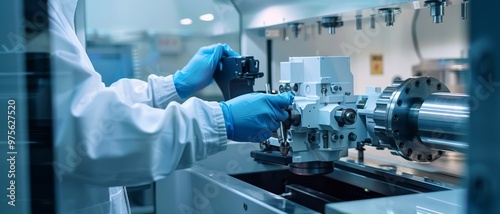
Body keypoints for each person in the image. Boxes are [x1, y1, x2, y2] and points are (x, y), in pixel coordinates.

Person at [45, 0, 293, 213]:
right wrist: (220, 119)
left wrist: (174, 85)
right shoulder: (33, 13)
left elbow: (92, 106)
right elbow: (90, 135)